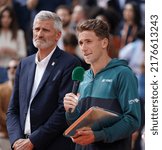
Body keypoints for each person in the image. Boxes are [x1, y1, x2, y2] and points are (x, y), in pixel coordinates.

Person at [6, 10, 80, 150]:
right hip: (21, 144)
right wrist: (16, 140)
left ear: (58, 35)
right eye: (37, 29)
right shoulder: (24, 64)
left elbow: (62, 111)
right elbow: (13, 109)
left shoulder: (70, 63)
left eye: (45, 30)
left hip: (52, 145)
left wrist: (33, 141)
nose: (39, 34)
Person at [64, 19, 141, 150]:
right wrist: (70, 111)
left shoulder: (123, 74)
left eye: (88, 41)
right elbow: (77, 124)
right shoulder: (83, 77)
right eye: (81, 43)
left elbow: (133, 120)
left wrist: (98, 135)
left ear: (104, 42)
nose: (83, 47)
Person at [0, 58, 19, 150]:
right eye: (8, 67)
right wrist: (13, 125)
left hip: (22, 138)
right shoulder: (1, 89)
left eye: (15, 67)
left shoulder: (27, 89)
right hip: (4, 136)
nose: (11, 70)